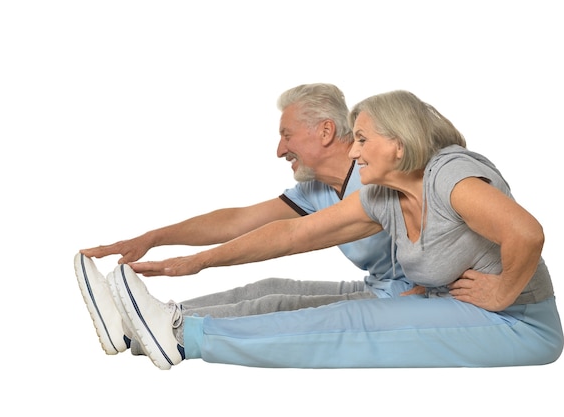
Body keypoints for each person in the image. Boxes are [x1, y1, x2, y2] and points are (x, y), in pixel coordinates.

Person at [97, 89, 564, 370]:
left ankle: (183, 338)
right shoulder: (382, 195)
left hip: (517, 323)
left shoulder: (449, 175)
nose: (355, 150)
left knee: (351, 324)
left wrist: (502, 292)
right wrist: (191, 261)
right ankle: (149, 329)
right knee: (278, 290)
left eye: (362, 139)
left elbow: (527, 232)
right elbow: (291, 235)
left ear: (398, 144)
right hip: (448, 304)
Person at [76, 83, 414, 357]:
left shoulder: (376, 175)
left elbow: (292, 236)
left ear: (325, 131)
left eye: (288, 135)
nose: (280, 150)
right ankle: (136, 327)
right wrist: (153, 238)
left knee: (275, 304)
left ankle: (176, 331)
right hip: (380, 285)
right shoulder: (317, 189)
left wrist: (196, 262)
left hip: (403, 297)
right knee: (267, 288)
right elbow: (238, 221)